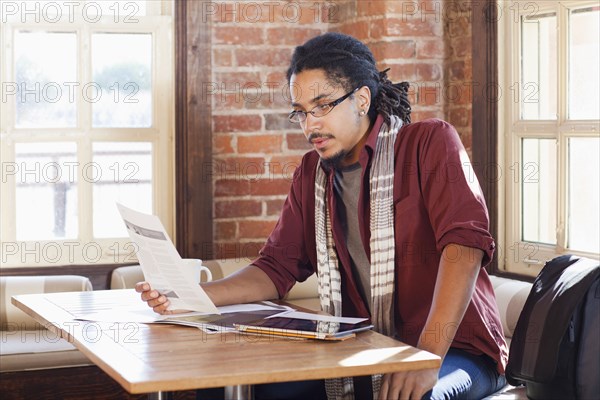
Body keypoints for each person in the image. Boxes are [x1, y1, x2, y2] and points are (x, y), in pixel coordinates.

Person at [136, 32, 508, 400]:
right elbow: (276, 267)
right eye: (301, 112)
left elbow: (465, 245)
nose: (310, 125)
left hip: (457, 350)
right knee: (237, 387)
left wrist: (426, 357)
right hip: (369, 346)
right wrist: (193, 297)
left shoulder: (429, 143)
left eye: (323, 106)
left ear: (362, 99)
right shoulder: (311, 174)